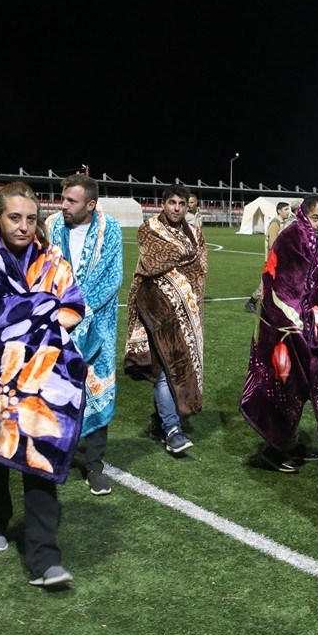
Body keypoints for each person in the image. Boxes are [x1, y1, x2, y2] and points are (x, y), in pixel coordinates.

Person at [0, 181, 87, 589]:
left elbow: (73, 307)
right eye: (15, 217)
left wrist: (30, 324)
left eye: (31, 218)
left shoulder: (51, 260)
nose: (24, 226)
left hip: (43, 372)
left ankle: (44, 558)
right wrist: (39, 309)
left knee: (39, 454)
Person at [239, 195, 318, 473]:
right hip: (282, 326)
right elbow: (278, 280)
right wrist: (294, 319)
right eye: (315, 218)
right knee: (281, 385)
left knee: (300, 386)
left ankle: (287, 442)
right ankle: (274, 448)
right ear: (303, 215)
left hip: (306, 325)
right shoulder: (292, 236)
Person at [46, 174, 124, 496]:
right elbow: (43, 270)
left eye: (71, 201)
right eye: (63, 198)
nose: (63, 205)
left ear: (90, 205)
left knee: (97, 390)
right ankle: (53, 456)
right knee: (54, 392)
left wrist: (77, 310)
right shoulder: (51, 226)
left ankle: (94, 465)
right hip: (55, 324)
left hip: (98, 327)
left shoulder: (111, 230)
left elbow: (112, 276)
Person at [124, 184, 208, 455]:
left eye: (181, 204)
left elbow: (200, 268)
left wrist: (184, 260)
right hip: (154, 308)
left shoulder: (195, 232)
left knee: (180, 366)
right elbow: (153, 262)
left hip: (186, 310)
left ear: (188, 206)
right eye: (171, 202)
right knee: (164, 369)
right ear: (163, 204)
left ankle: (159, 423)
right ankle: (173, 430)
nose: (176, 208)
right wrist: (186, 254)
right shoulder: (149, 228)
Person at [245, 201, 292, 313]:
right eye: (286, 209)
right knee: (267, 283)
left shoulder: (282, 222)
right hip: (273, 259)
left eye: (288, 209)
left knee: (274, 283)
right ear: (279, 211)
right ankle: (252, 302)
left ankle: (264, 304)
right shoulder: (275, 223)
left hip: (277, 259)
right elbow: (273, 243)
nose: (288, 211)